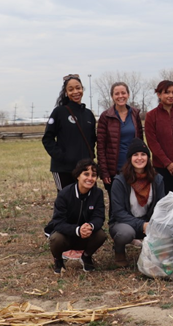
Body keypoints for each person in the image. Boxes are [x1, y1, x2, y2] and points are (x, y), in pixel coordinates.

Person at [110, 138, 166, 267]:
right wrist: (142, 225)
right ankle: (119, 251)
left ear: (148, 158)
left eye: (143, 154)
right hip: (123, 223)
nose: (139, 158)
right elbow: (118, 213)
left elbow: (161, 206)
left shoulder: (157, 179)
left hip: (148, 222)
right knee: (126, 233)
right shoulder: (120, 181)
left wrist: (154, 224)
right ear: (130, 158)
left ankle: (156, 253)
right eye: (135, 155)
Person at [44, 158, 106, 274]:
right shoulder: (64, 194)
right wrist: (77, 230)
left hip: (86, 235)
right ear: (78, 175)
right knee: (56, 238)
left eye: (94, 175)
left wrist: (90, 226)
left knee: (101, 235)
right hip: (67, 235)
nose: (90, 178)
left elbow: (99, 217)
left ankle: (86, 257)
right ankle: (58, 260)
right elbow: (58, 222)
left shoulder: (98, 193)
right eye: (86, 174)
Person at [43, 74, 96, 191]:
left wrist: (91, 158)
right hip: (64, 169)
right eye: (71, 89)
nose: (75, 92)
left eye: (78, 88)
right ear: (66, 92)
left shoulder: (88, 114)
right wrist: (62, 157)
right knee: (66, 203)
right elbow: (47, 139)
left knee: (87, 201)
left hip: (85, 170)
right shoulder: (59, 112)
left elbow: (92, 140)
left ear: (82, 89)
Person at [97, 82, 144, 215]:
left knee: (134, 202)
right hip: (114, 170)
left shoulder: (135, 114)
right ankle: (116, 229)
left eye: (123, 93)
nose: (120, 96)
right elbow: (100, 146)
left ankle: (134, 228)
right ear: (112, 96)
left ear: (128, 94)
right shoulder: (106, 116)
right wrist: (104, 172)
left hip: (134, 167)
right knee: (116, 203)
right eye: (116, 93)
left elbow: (140, 142)